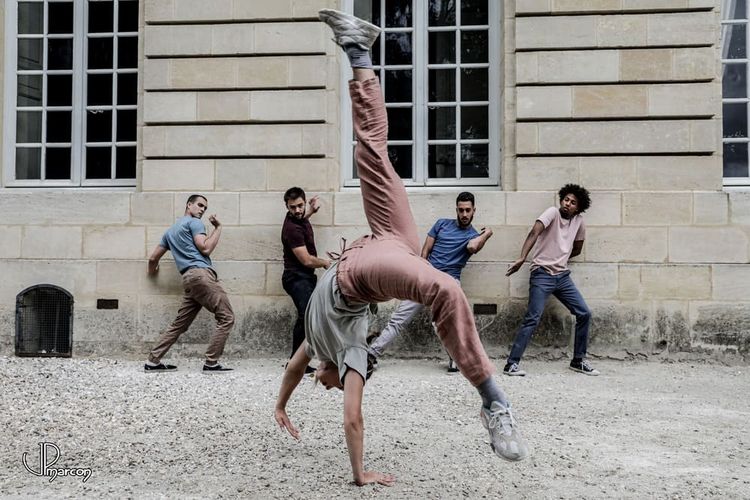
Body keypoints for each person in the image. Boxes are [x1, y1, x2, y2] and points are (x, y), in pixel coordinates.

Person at [274, 9, 528, 488]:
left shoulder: (322, 347)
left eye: (322, 384)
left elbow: (310, 384)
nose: (325, 386)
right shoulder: (344, 350)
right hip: (378, 264)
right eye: (330, 385)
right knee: (445, 289)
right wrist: (352, 468)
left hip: (377, 251)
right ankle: (494, 398)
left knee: (370, 152)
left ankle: (358, 49)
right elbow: (325, 397)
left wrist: (286, 409)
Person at [368, 192, 493, 372]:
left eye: (468, 210)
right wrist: (419, 273)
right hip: (426, 276)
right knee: (398, 319)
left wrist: (487, 233)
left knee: (447, 323)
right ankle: (372, 353)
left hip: (449, 282)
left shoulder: (473, 236)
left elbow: (472, 247)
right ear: (456, 210)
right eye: (461, 210)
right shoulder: (441, 224)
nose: (464, 214)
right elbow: (425, 251)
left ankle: (455, 360)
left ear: (474, 210)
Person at [503, 184, 599, 377]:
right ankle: (511, 364)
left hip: (562, 277)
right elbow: (534, 232)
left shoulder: (579, 221)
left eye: (573, 202)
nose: (567, 204)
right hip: (542, 274)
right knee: (533, 317)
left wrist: (560, 257)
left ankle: (578, 360)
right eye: (566, 199)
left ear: (578, 208)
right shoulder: (552, 213)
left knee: (584, 313)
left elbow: (578, 248)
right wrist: (522, 258)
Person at [144, 194, 235, 373]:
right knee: (227, 317)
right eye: (200, 205)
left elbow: (153, 258)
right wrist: (218, 228)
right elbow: (206, 248)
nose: (202, 209)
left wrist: (152, 272)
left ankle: (153, 361)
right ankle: (211, 363)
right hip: (201, 276)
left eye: (205, 208)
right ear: (189, 205)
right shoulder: (194, 223)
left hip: (188, 279)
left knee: (180, 324)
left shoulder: (170, 232)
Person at [281, 187, 330, 374]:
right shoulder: (291, 229)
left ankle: (298, 362)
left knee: (309, 317)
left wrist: (312, 211)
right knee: (306, 316)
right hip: (296, 278)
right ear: (286, 206)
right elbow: (307, 260)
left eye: (300, 205)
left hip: (305, 278)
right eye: (292, 207)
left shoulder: (298, 219)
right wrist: (325, 262)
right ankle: (295, 364)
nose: (298, 210)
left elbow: (302, 218)